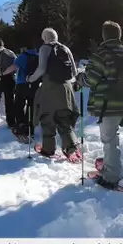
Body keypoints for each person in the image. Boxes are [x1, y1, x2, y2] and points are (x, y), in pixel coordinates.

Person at [75, 21, 123, 189]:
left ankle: (111, 176)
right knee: (112, 137)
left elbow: (91, 79)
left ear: (104, 35)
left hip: (107, 104)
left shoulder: (101, 54)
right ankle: (111, 166)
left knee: (109, 139)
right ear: (119, 35)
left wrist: (79, 78)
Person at [28, 28, 82, 161]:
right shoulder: (65, 48)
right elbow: (74, 72)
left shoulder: (44, 48)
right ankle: (72, 149)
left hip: (50, 88)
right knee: (64, 119)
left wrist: (30, 79)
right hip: (66, 89)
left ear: (45, 37)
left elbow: (41, 69)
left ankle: (48, 149)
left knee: (47, 118)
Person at [2, 46, 40, 140]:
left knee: (19, 105)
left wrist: (3, 73)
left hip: (22, 84)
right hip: (34, 84)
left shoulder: (23, 56)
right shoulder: (39, 56)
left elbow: (13, 67)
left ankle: (21, 126)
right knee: (31, 106)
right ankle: (30, 128)